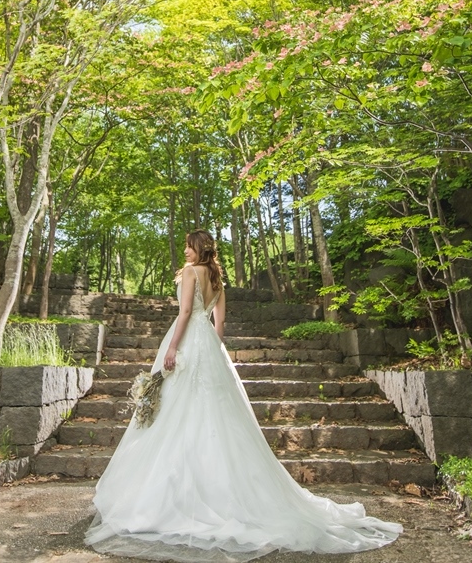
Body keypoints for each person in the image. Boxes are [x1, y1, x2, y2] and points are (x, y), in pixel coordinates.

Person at [85, 229, 402, 562]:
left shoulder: (192, 273)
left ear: (200, 248)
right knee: (215, 415)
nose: (186, 251)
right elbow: (219, 328)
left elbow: (182, 314)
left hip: (187, 342)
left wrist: (174, 348)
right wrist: (212, 352)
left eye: (189, 247)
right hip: (208, 345)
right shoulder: (219, 282)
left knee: (175, 412)